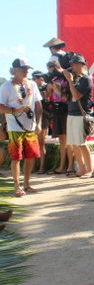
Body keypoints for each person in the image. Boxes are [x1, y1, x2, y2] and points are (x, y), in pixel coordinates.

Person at [0, 58, 43, 196]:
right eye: (23, 69)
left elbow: (38, 105)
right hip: (14, 127)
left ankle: (27, 184)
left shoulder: (32, 84)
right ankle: (17, 186)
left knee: (31, 156)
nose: (26, 71)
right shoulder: (6, 86)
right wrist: (15, 110)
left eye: (27, 69)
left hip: (30, 127)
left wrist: (39, 123)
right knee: (16, 157)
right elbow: (1, 107)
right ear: (15, 70)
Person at [63, 54, 94, 179]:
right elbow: (68, 97)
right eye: (71, 65)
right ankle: (81, 168)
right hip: (71, 113)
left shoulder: (86, 79)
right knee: (74, 143)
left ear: (82, 65)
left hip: (81, 114)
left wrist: (70, 81)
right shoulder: (76, 79)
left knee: (81, 143)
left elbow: (77, 96)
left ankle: (89, 169)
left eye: (75, 64)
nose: (72, 67)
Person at [45, 60, 72, 174]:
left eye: (52, 68)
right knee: (62, 140)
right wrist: (49, 85)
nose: (51, 71)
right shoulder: (54, 79)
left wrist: (56, 87)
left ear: (58, 66)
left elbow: (67, 96)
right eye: (49, 69)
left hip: (66, 109)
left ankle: (70, 166)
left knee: (69, 140)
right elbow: (47, 94)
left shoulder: (66, 76)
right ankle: (62, 166)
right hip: (57, 109)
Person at [33, 71, 51, 174]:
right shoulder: (30, 88)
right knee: (32, 143)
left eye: (41, 78)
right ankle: (33, 166)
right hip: (32, 117)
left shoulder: (45, 88)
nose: (40, 79)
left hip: (43, 117)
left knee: (41, 143)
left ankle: (41, 167)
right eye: (37, 78)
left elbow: (49, 94)